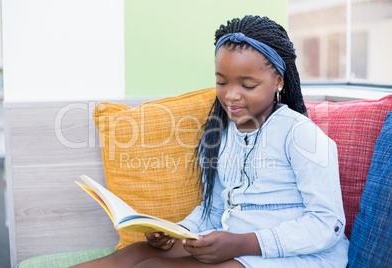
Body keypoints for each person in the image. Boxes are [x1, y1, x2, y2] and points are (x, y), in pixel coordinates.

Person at [73, 15, 349, 267]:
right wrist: (173, 231)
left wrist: (243, 243)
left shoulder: (300, 133)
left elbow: (328, 224)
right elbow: (215, 210)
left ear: (278, 81)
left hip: (296, 255)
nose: (231, 96)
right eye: (222, 82)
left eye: (247, 85)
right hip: (234, 245)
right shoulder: (226, 132)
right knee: (134, 254)